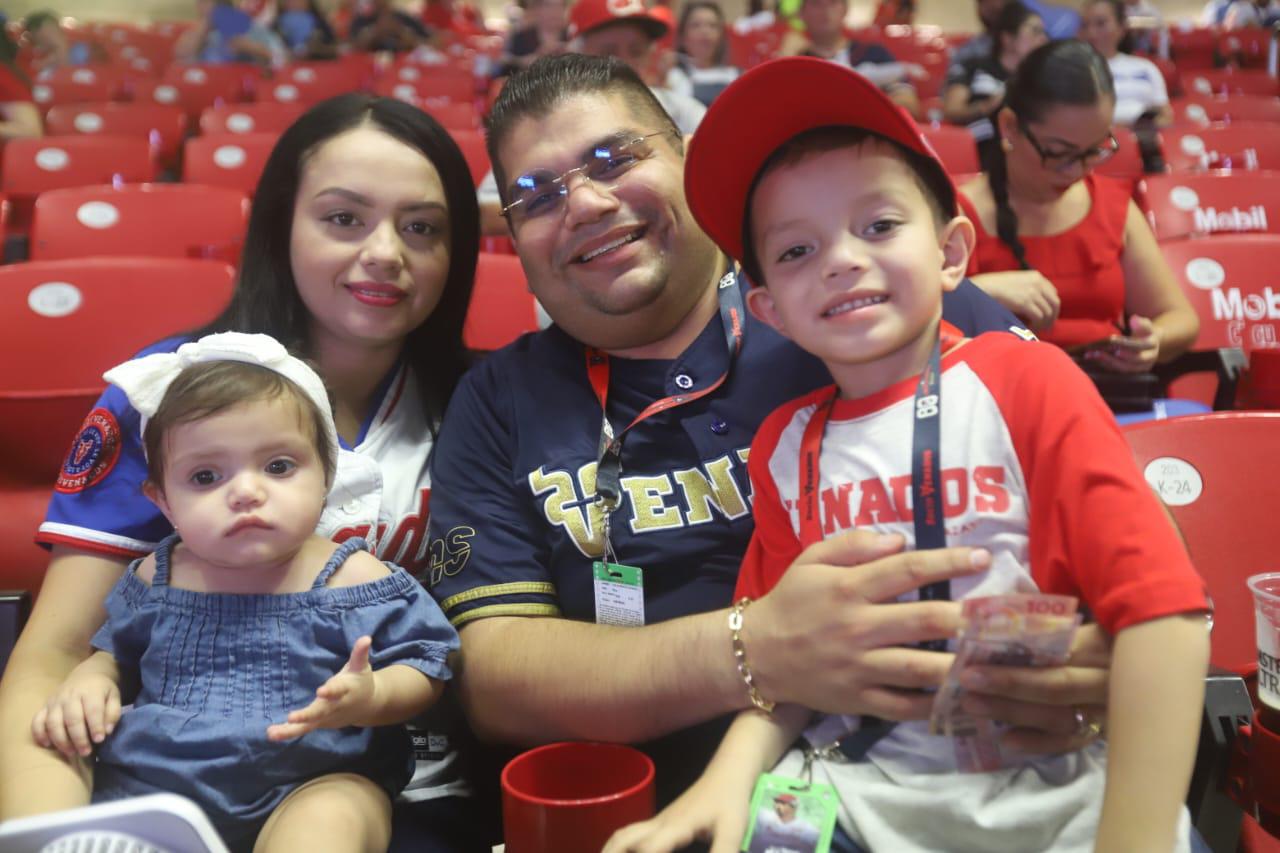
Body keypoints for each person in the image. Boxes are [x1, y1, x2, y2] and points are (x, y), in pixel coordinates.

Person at [426, 52, 1117, 813]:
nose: (584, 203)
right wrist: (760, 648)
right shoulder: (495, 399)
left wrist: (1097, 653)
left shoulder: (862, 293)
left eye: (613, 159)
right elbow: (497, 680)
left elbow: (1123, 530)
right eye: (534, 195)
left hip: (947, 774)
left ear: (687, 159)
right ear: (513, 238)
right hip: (655, 804)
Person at [603, 56, 1209, 853]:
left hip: (1062, 797)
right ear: (768, 310)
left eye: (879, 225)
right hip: (864, 796)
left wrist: (1132, 838)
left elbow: (1165, 615)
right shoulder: (784, 445)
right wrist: (719, 787)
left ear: (954, 252)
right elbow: (783, 668)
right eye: (794, 251)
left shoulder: (1025, 380)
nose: (841, 258)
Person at [0, 92, 486, 851]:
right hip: (166, 787)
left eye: (422, 227)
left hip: (384, 785)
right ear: (279, 226)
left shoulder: (484, 403)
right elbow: (56, 657)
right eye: (343, 218)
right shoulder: (167, 395)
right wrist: (59, 831)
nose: (387, 251)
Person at [31, 335, 460, 852]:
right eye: (206, 476)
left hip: (315, 777)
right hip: (156, 787)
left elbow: (429, 663)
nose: (246, 492)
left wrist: (375, 697)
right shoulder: (155, 575)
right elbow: (114, 654)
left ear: (326, 475)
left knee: (334, 817)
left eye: (278, 466)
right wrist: (91, 680)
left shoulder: (359, 579)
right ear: (163, 501)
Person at [960, 40, 1199, 369]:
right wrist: (977, 292)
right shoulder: (958, 216)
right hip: (1001, 404)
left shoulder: (1113, 206)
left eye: (1094, 150)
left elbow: (1180, 318)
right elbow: (917, 324)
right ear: (1009, 127)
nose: (1077, 170)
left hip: (1108, 398)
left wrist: (1152, 341)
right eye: (1058, 152)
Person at [475, 0, 707, 236]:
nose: (623, 63)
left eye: (636, 51)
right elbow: (486, 209)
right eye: (608, 52)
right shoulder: (541, 126)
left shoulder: (684, 111)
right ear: (575, 54)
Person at [784, 0, 923, 117]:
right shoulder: (794, 60)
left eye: (832, 2)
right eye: (816, 3)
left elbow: (909, 102)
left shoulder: (873, 53)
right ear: (801, 14)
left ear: (845, 10)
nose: (825, 10)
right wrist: (786, 57)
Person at [942, 2, 1047, 142]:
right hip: (979, 144)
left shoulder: (1037, 80)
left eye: (1044, 33)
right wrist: (988, 106)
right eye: (1035, 31)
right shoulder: (974, 66)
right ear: (1008, 38)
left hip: (1018, 146)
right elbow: (952, 110)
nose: (1043, 39)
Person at [1079, 0, 1172, 128]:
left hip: (1146, 140)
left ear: (1121, 28)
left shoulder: (1145, 67)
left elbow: (1166, 116)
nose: (1091, 33)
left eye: (1101, 23)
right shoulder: (1074, 71)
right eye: (1084, 25)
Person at [667, 1, 740, 107]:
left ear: (721, 36)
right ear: (682, 37)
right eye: (696, 25)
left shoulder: (736, 76)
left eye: (712, 26)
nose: (705, 31)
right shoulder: (672, 77)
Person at [175, 0, 288, 67]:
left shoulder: (261, 33)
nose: (200, 8)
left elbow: (284, 63)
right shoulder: (207, 35)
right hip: (211, 87)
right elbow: (182, 58)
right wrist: (204, 26)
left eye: (206, 3)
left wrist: (253, 49)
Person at [498, 0, 568, 76]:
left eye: (560, 6)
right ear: (537, 9)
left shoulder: (572, 35)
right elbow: (504, 64)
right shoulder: (521, 37)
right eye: (548, 6)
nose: (555, 11)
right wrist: (525, 61)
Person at [23, 10, 107, 71]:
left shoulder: (81, 49)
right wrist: (59, 45)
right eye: (49, 29)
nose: (55, 32)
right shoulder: (35, 60)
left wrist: (60, 45)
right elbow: (65, 76)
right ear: (35, 35)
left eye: (55, 28)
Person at [349, 0, 432, 53]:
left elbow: (433, 41)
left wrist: (400, 31)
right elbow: (351, 47)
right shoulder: (362, 19)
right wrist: (377, 31)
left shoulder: (404, 18)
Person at [272, 0, 339, 60]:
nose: (294, 3)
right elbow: (272, 44)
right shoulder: (278, 23)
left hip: (316, 64)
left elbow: (332, 45)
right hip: (288, 63)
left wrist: (314, 50)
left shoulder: (319, 21)